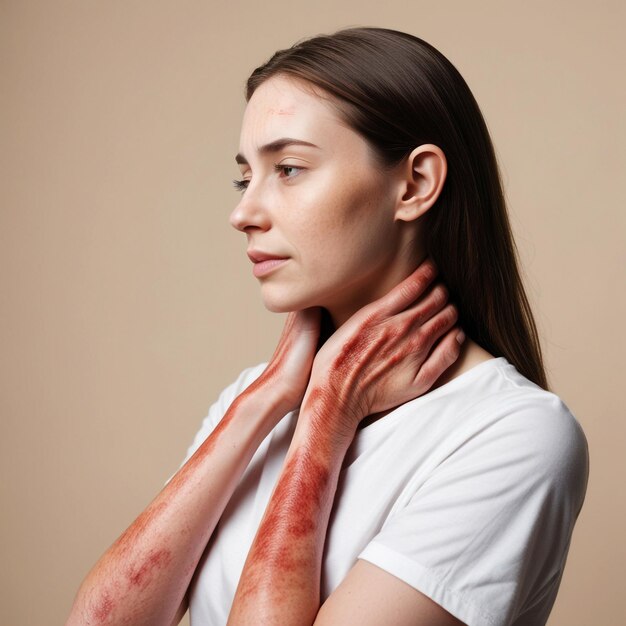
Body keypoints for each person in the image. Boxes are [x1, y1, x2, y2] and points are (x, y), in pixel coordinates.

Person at [67, 27, 589, 626]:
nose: (243, 213)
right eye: (245, 177)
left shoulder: (513, 437)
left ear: (415, 183)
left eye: (288, 169)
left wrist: (325, 419)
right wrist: (262, 404)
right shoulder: (252, 403)